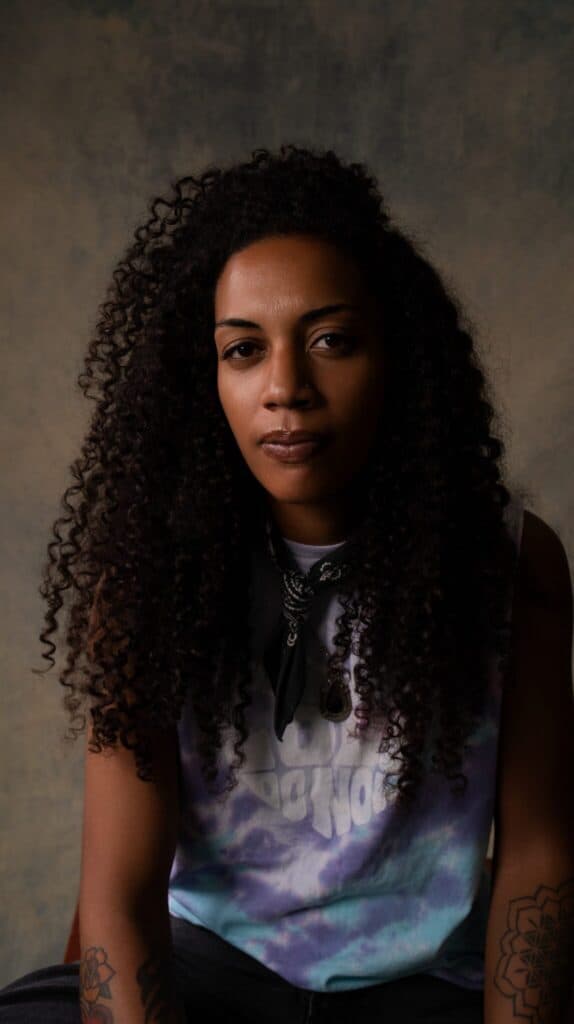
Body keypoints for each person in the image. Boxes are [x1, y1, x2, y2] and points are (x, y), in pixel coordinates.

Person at [1, 144, 573, 1024]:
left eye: (330, 341)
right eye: (243, 351)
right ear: (206, 382)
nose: (286, 390)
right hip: (207, 973)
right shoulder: (149, 578)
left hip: (423, 990)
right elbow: (118, 892)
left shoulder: (507, 561)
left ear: (399, 360)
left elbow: (536, 854)